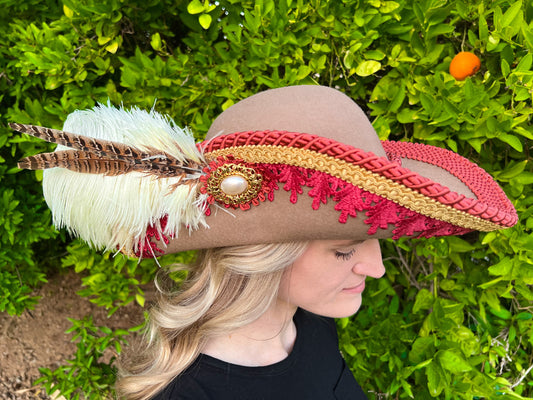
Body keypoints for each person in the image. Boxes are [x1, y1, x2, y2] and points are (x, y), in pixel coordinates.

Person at [12, 86, 517, 399]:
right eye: (345, 248)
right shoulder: (193, 396)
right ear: (264, 253)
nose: (378, 269)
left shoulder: (311, 329)